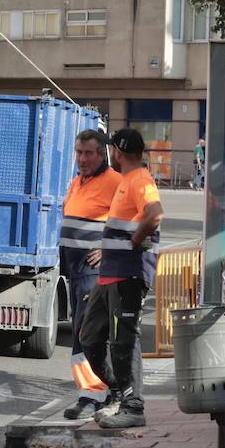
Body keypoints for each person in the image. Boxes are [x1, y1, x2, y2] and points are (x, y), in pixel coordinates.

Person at [78, 128, 164, 428]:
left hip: (128, 275)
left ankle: (133, 406)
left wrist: (134, 242)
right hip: (109, 276)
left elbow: (154, 213)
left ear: (116, 151)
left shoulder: (140, 179)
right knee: (89, 338)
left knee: (124, 341)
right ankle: (118, 394)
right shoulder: (128, 181)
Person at [59, 130, 123, 420]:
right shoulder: (78, 181)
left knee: (90, 333)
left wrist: (109, 250)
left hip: (94, 271)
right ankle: (89, 392)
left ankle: (99, 395)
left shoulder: (115, 183)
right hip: (75, 270)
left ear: (103, 154)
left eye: (88, 153)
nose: (82, 159)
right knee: (79, 333)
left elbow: (135, 221)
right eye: (79, 152)